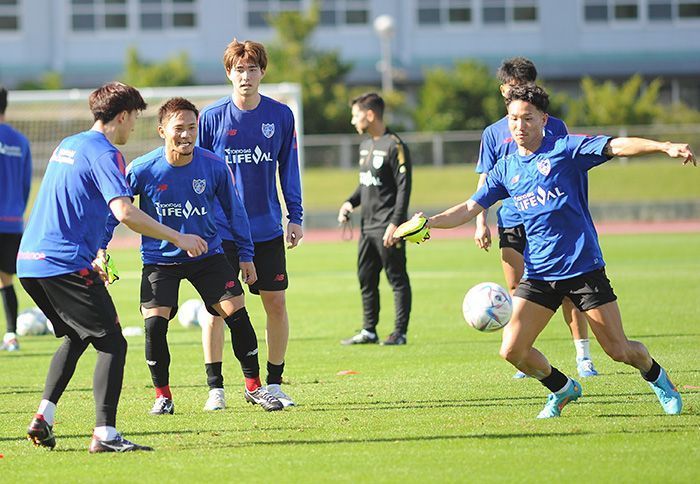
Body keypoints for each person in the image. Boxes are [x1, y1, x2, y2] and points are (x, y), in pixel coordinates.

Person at [405, 85, 692, 418]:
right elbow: (470, 207)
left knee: (619, 350)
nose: (519, 126)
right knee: (512, 350)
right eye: (513, 119)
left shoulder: (566, 149)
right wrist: (429, 221)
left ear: (543, 118)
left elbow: (616, 145)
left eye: (527, 118)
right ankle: (562, 388)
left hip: (583, 268)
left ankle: (658, 378)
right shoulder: (506, 168)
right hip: (540, 274)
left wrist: (663, 146)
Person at [18, 82, 209, 452]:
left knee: (76, 336)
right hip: (62, 263)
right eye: (134, 118)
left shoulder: (69, 144)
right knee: (113, 344)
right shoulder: (106, 153)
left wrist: (96, 252)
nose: (133, 128)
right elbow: (124, 211)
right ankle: (105, 434)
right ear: (122, 116)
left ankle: (43, 417)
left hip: (31, 263)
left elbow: (73, 206)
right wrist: (178, 237)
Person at [102, 97, 283, 414]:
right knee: (154, 326)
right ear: (162, 131)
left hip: (207, 256)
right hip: (160, 260)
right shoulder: (143, 169)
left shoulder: (213, 166)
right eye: (178, 129)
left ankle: (254, 388)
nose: (186, 135)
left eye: (191, 128)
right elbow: (115, 211)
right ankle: (163, 396)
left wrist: (245, 255)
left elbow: (235, 213)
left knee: (237, 313)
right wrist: (100, 246)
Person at [475, 57, 597, 379]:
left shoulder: (553, 125)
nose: (521, 91)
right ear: (504, 89)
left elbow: (569, 167)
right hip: (513, 218)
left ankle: (583, 355)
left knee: (569, 288)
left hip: (552, 219)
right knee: (519, 287)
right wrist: (479, 220)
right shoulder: (492, 133)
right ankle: (524, 353)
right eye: (515, 87)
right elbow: (485, 180)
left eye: (527, 85)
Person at [197, 39, 302, 408]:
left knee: (275, 304)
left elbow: (289, 168)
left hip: (267, 229)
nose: (246, 76)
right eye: (239, 69)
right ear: (229, 73)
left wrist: (296, 216)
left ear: (262, 72)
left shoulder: (281, 115)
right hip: (221, 231)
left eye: (252, 69)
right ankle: (216, 389)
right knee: (218, 310)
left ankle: (273, 384)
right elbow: (200, 173)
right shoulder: (210, 118)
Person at [338, 92, 412, 346]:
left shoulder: (395, 145)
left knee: (396, 278)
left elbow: (404, 187)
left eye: (355, 115)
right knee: (366, 277)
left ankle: (399, 333)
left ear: (370, 115)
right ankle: (369, 330)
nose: (352, 120)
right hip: (366, 226)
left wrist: (396, 223)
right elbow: (365, 185)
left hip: (387, 225)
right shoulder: (366, 145)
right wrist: (350, 202)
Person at [0, 85, 31, 352]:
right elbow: (25, 185)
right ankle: (11, 334)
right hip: (11, 221)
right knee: (6, 279)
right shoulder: (20, 141)